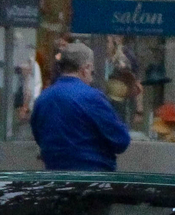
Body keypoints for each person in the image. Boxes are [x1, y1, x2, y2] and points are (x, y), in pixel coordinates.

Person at [30, 40, 131, 172]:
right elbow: (121, 141)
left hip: (54, 178)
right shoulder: (92, 98)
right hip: (92, 179)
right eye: (92, 72)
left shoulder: (43, 99)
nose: (92, 78)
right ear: (86, 68)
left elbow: (39, 137)